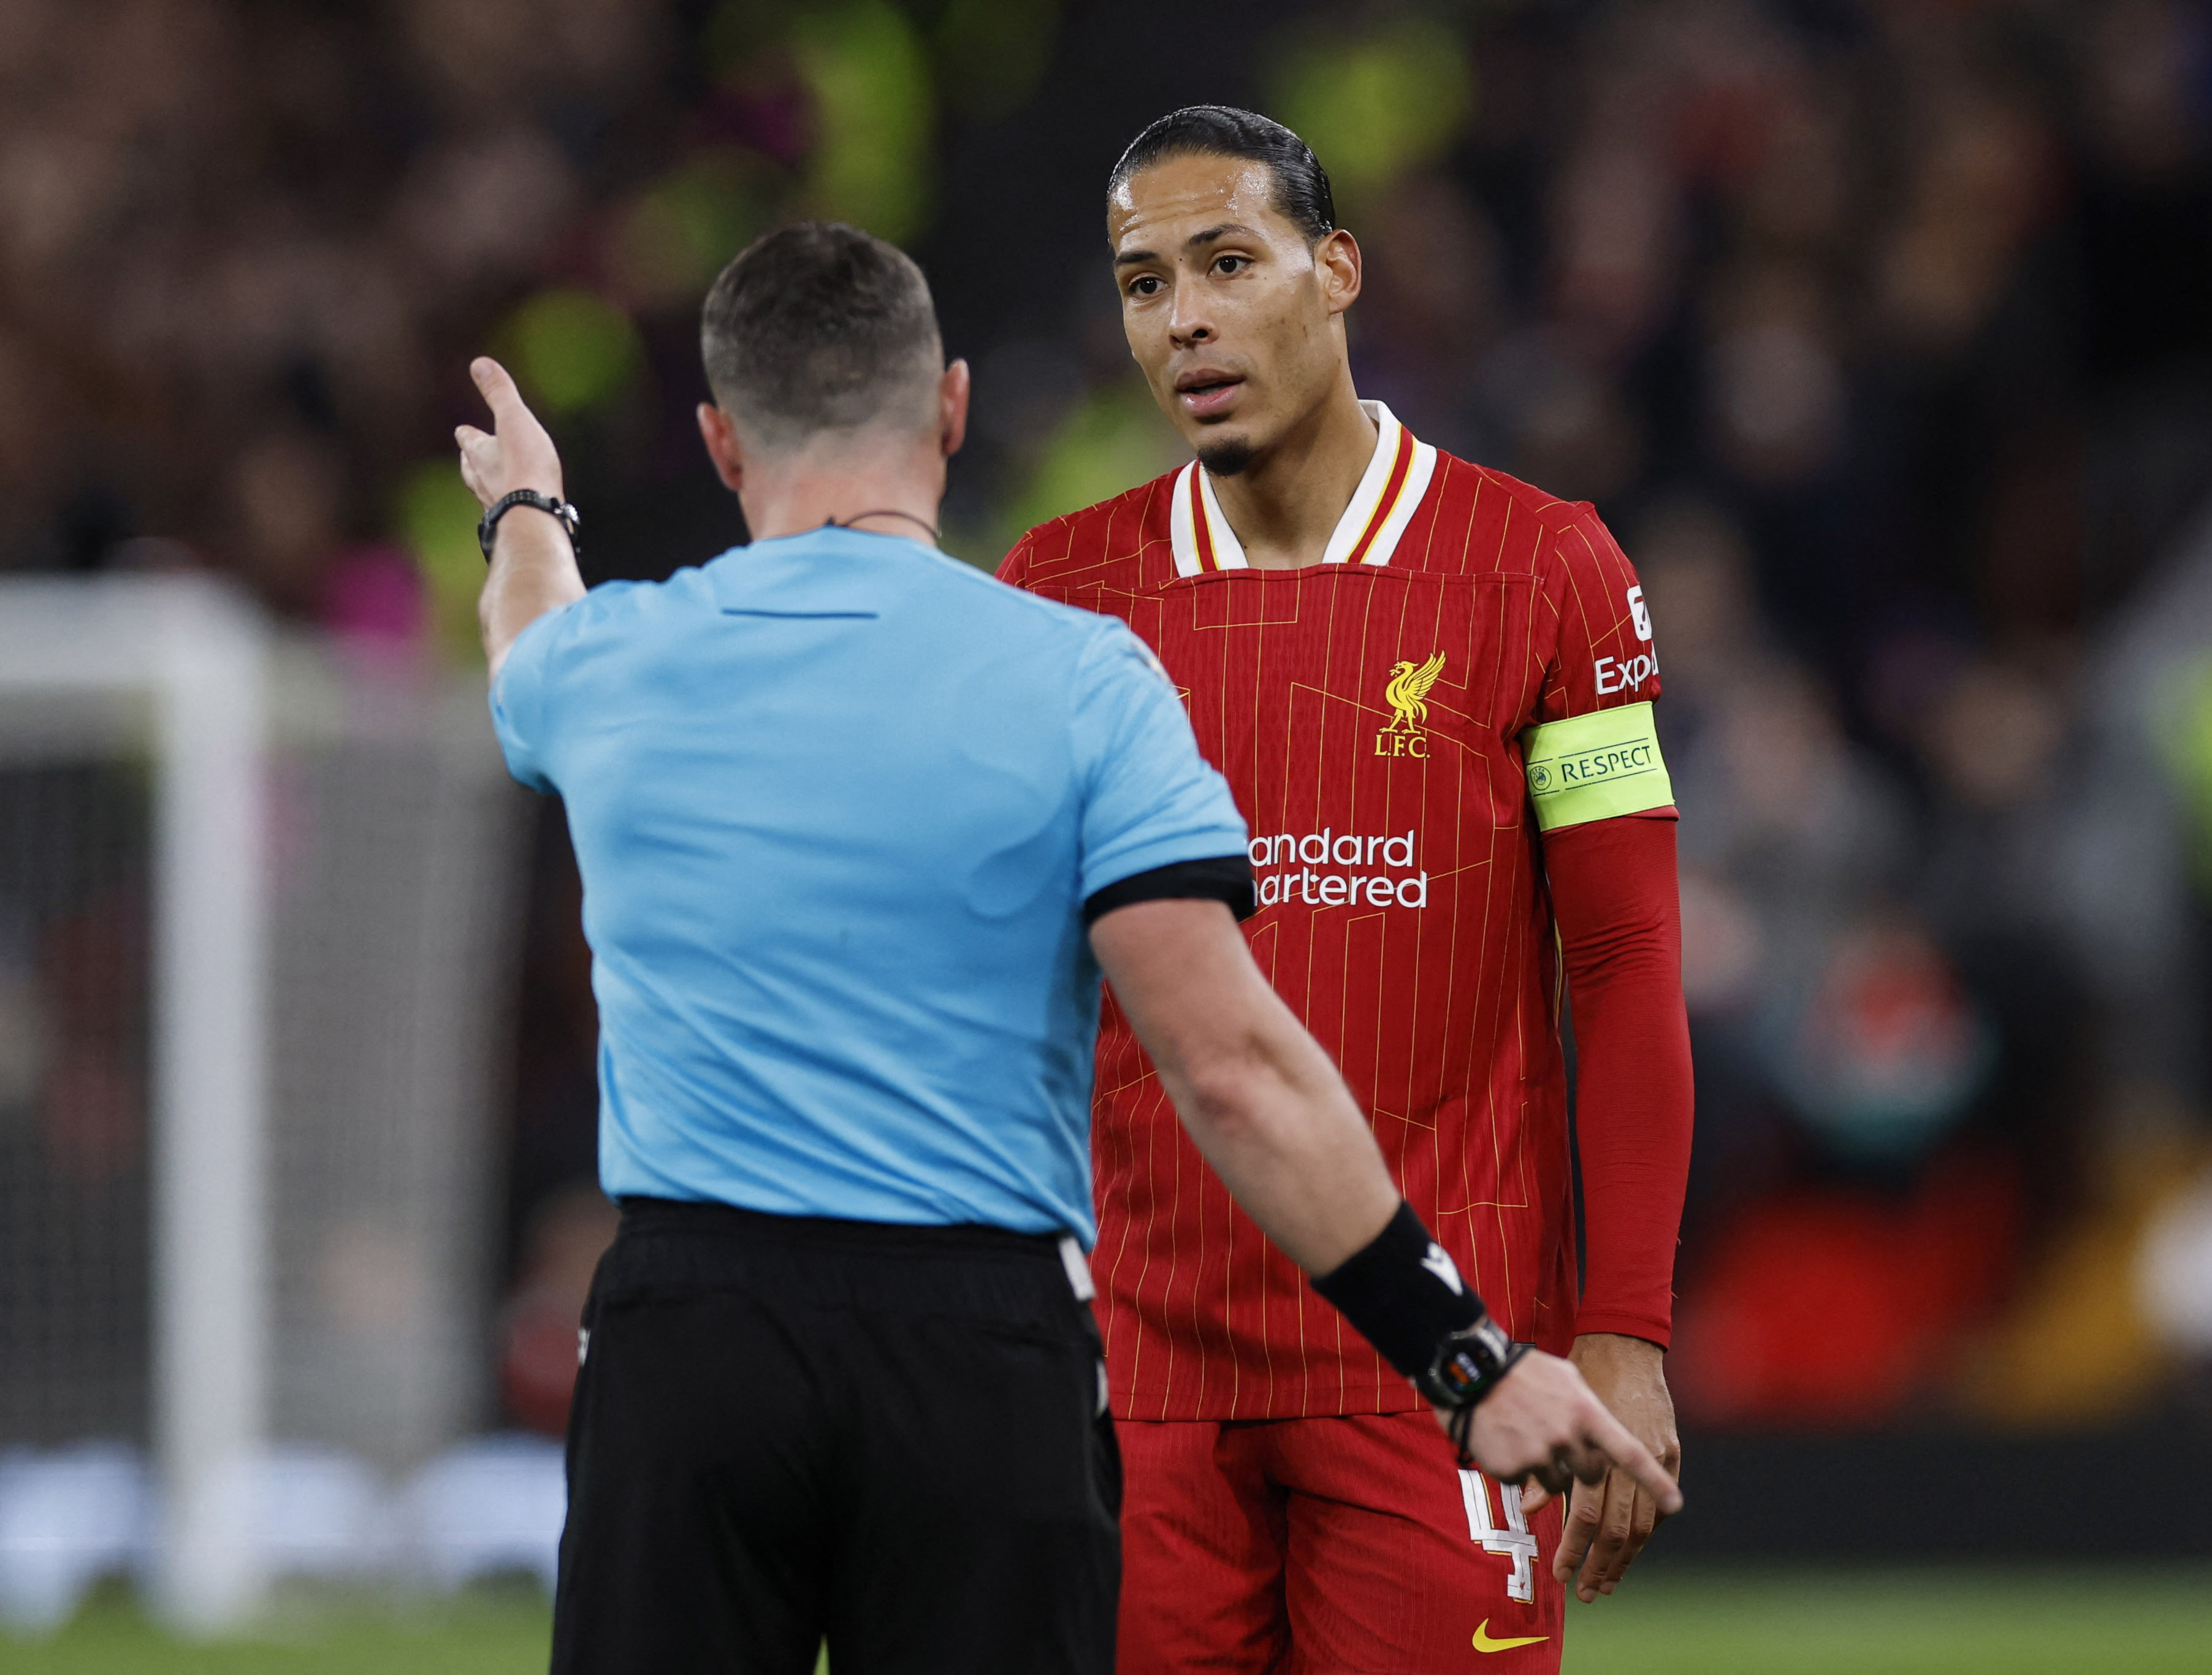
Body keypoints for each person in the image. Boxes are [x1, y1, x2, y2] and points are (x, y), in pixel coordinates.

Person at [453, 221, 1680, 1675]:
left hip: (691, 1334)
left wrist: (528, 507)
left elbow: (523, 632)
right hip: (978, 1345)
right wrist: (1464, 1356)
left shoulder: (616, 666)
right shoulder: (1078, 669)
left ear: (721, 440)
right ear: (954, 409)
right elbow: (1231, 1065)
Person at [999, 109, 1693, 1671]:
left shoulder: (1546, 571)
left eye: (1227, 263)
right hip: (1137, 1381)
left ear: (1337, 272)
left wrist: (1626, 1333)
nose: (1182, 318)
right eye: (1141, 281)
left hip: (1446, 1365)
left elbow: (1631, 960)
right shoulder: (1057, 592)